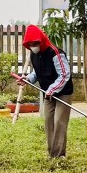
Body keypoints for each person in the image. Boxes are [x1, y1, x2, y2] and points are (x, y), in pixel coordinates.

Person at [16, 24, 73, 159]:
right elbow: (38, 71)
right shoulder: (34, 54)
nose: (33, 46)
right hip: (47, 93)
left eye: (35, 43)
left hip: (63, 92)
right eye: (30, 44)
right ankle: (51, 154)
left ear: (41, 40)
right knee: (48, 121)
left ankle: (59, 155)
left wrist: (52, 89)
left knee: (59, 122)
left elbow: (64, 74)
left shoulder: (55, 53)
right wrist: (28, 78)